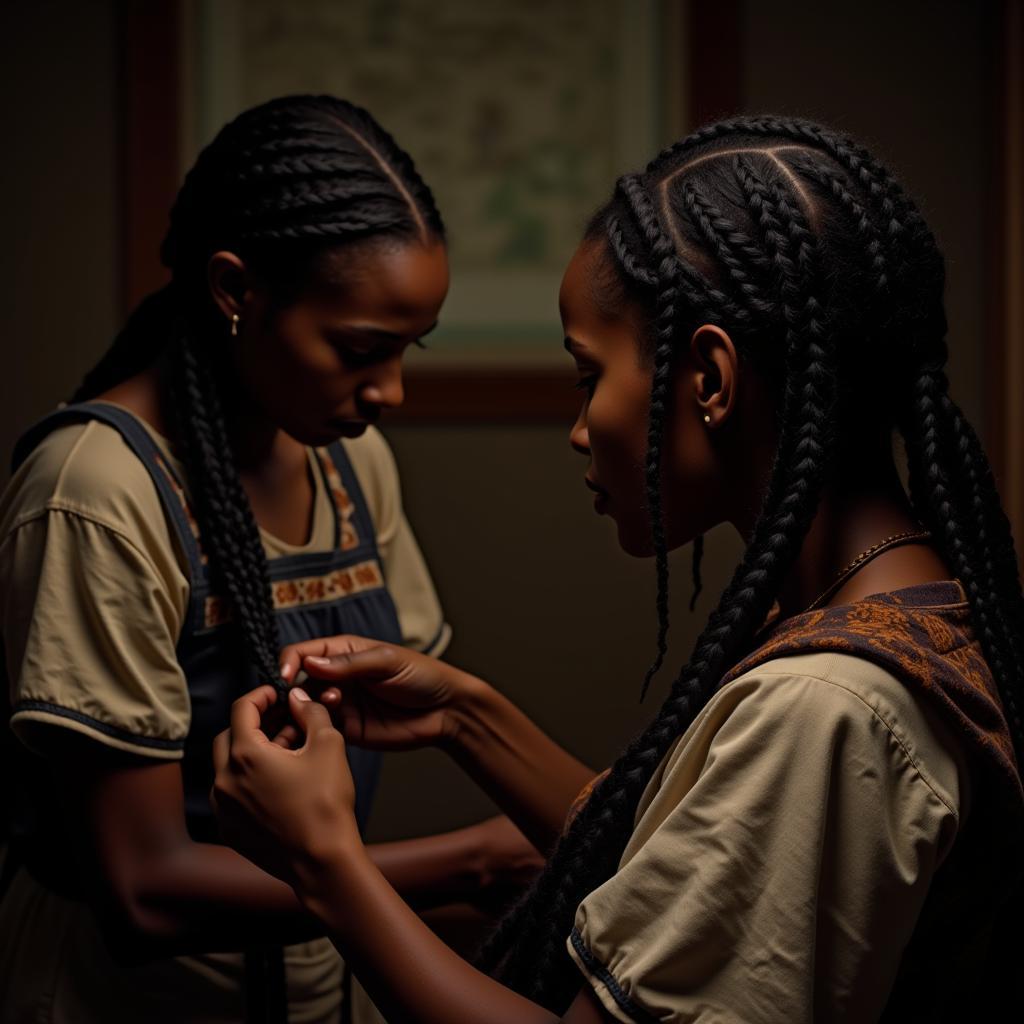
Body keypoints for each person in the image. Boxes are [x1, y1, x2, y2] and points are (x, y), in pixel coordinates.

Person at [210, 116, 1024, 1024]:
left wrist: (325, 862)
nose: (578, 425)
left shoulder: (830, 708)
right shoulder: (900, 598)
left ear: (709, 378)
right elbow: (697, 874)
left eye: (586, 374)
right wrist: (462, 716)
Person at [0, 95, 538, 1024]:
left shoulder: (348, 462)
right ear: (234, 290)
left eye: (411, 349)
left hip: (316, 987)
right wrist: (473, 863)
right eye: (361, 350)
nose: (392, 391)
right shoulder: (96, 490)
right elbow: (142, 890)